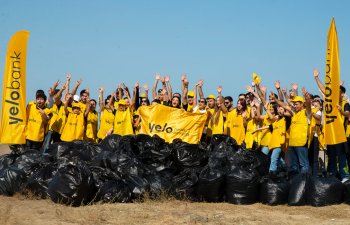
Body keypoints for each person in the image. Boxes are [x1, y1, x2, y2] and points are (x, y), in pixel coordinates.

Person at [314, 68, 350, 181]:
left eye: (338, 92)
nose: (335, 94)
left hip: (341, 136)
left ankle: (345, 177)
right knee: (332, 157)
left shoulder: (344, 103)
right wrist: (316, 78)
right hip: (330, 135)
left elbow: (347, 114)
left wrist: (341, 111)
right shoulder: (331, 102)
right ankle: (333, 175)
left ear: (342, 94)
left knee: (342, 157)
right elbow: (324, 90)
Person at [274, 87, 311, 175]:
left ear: (302, 104)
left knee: (303, 165)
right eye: (294, 104)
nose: (294, 105)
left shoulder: (306, 113)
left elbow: (309, 105)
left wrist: (306, 97)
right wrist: (275, 99)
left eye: (297, 104)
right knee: (294, 166)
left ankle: (305, 183)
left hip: (301, 143)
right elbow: (284, 105)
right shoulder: (294, 113)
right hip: (292, 144)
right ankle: (295, 182)